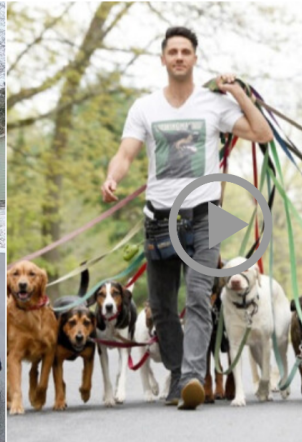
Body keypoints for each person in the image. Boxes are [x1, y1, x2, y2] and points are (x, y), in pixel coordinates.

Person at [100, 26, 273, 410]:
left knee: (197, 295)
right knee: (161, 305)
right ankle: (178, 378)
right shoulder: (144, 107)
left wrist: (239, 93)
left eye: (186, 51)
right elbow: (126, 153)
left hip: (205, 215)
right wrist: (113, 176)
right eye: (172, 51)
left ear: (195, 58)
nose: (179, 57)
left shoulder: (213, 104)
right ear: (163, 59)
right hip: (158, 217)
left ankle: (193, 376)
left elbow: (262, 133)